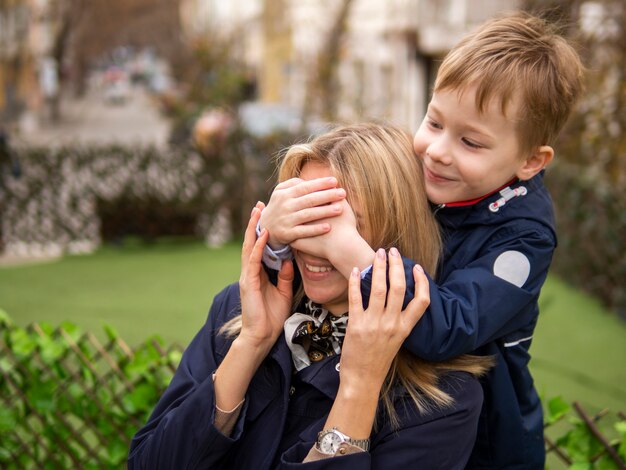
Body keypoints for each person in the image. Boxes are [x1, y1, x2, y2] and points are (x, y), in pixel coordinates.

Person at [258, 12, 585, 469]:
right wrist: (274, 233)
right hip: (392, 396)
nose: (437, 150)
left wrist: (351, 251)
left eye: (471, 142)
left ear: (531, 160)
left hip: (477, 438)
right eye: (433, 122)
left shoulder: (523, 240)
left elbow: (445, 328)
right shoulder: (441, 177)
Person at [128, 124, 492, 469]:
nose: (313, 245)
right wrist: (251, 343)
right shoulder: (238, 312)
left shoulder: (444, 398)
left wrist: (358, 388)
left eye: (340, 225)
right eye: (302, 217)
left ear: (397, 231)